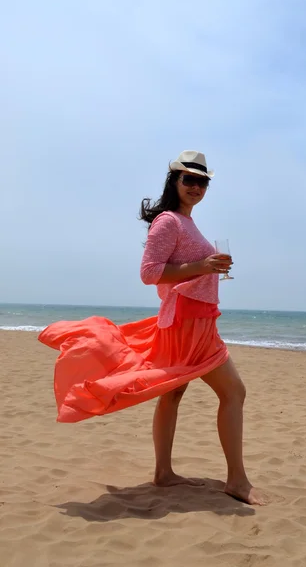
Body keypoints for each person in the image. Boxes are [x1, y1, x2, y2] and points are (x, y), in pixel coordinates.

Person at [38, 150, 264, 506]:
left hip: (199, 319)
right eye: (188, 179)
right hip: (186, 322)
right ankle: (235, 480)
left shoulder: (186, 222)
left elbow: (184, 268)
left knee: (177, 393)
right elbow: (149, 273)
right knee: (230, 392)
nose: (196, 187)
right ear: (174, 181)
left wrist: (204, 267)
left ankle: (165, 473)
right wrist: (202, 265)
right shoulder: (168, 221)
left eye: (202, 181)